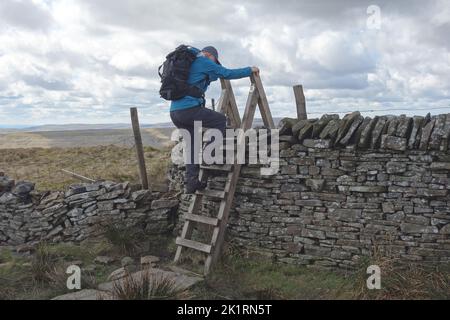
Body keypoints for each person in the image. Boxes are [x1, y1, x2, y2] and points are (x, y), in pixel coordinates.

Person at [170, 45, 259, 194]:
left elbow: (211, 75)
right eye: (215, 60)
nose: (214, 63)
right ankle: (209, 155)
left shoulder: (191, 63)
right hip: (189, 109)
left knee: (192, 145)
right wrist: (250, 70)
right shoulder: (204, 61)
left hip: (175, 112)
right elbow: (226, 73)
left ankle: (192, 183)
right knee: (219, 120)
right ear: (210, 55)